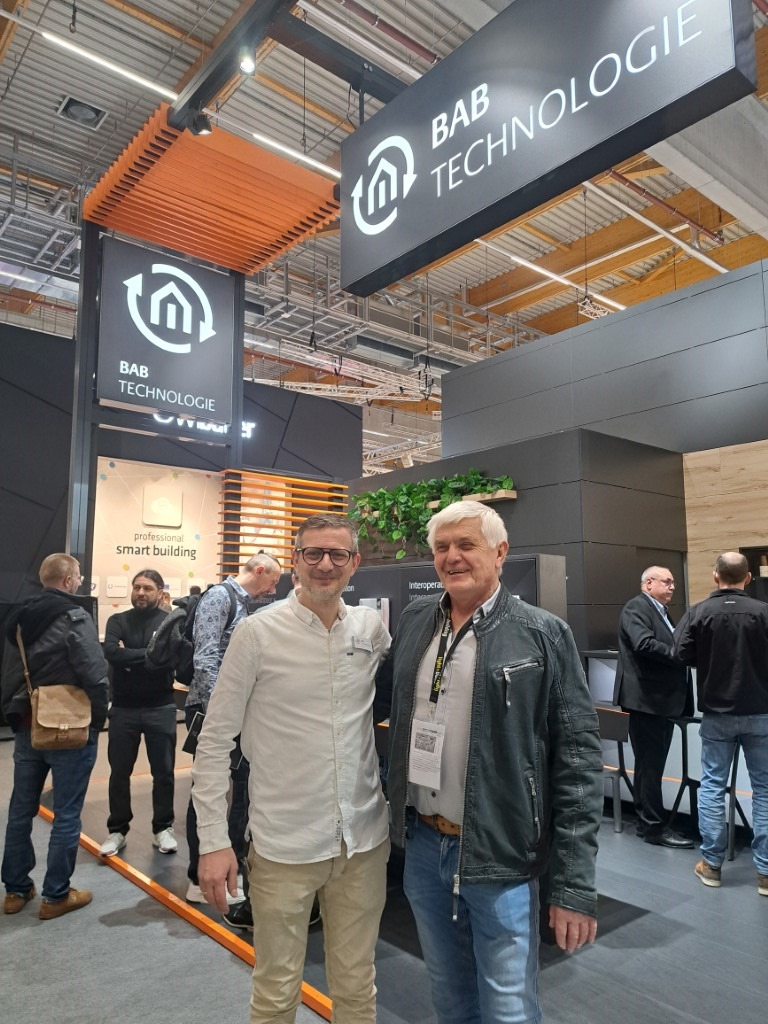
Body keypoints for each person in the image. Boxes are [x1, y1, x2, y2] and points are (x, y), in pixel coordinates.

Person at [377, 501, 602, 1024]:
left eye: (466, 545)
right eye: (441, 547)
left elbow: (578, 759)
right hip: (423, 846)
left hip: (501, 852)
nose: (451, 557)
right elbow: (375, 704)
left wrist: (572, 885)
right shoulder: (416, 621)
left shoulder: (543, 633)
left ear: (500, 553)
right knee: (450, 998)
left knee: (508, 1008)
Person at [193, 514, 390, 1024]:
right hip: (284, 845)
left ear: (354, 563)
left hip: (363, 842)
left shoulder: (370, 629)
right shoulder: (257, 634)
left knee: (358, 985)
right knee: (276, 991)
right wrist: (213, 840)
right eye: (313, 553)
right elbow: (214, 741)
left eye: (338, 554)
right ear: (295, 561)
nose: (326, 564)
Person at [1, 553, 109, 919]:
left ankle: (15, 890)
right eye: (77, 577)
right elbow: (94, 672)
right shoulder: (74, 617)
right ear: (67, 580)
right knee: (66, 813)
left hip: (27, 723)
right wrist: (98, 716)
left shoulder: (18, 619)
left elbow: (10, 674)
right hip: (70, 727)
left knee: (21, 810)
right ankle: (56, 896)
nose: (78, 583)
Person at [185, 551, 281, 905]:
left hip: (236, 713)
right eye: (273, 581)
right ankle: (197, 878)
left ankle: (234, 870)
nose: (273, 590)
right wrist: (222, 712)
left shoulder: (243, 604)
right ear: (260, 571)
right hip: (212, 711)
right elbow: (205, 659)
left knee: (242, 789)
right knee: (207, 787)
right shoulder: (219, 598)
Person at [673, 552, 768, 895]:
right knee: (765, 790)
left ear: (716, 576)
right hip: (761, 711)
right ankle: (766, 872)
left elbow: (680, 653)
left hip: (716, 713)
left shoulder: (697, 612)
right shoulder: (764, 612)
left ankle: (712, 865)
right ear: (748, 578)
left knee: (713, 786)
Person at [614, 566, 694, 848]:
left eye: (673, 582)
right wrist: (679, 654)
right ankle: (653, 828)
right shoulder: (636, 608)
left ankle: (646, 822)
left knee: (650, 766)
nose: (672, 587)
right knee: (650, 766)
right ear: (648, 583)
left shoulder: (659, 610)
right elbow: (644, 644)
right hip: (646, 702)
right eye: (667, 582)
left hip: (658, 702)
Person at [99, 569, 177, 858]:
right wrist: (150, 655)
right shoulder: (117, 620)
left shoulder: (168, 622)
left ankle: (162, 828)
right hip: (123, 709)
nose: (141, 592)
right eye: (137, 587)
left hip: (161, 707)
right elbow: (111, 653)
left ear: (159, 592)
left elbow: (168, 659)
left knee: (164, 773)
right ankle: (117, 830)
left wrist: (130, 656)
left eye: (147, 588)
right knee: (119, 773)